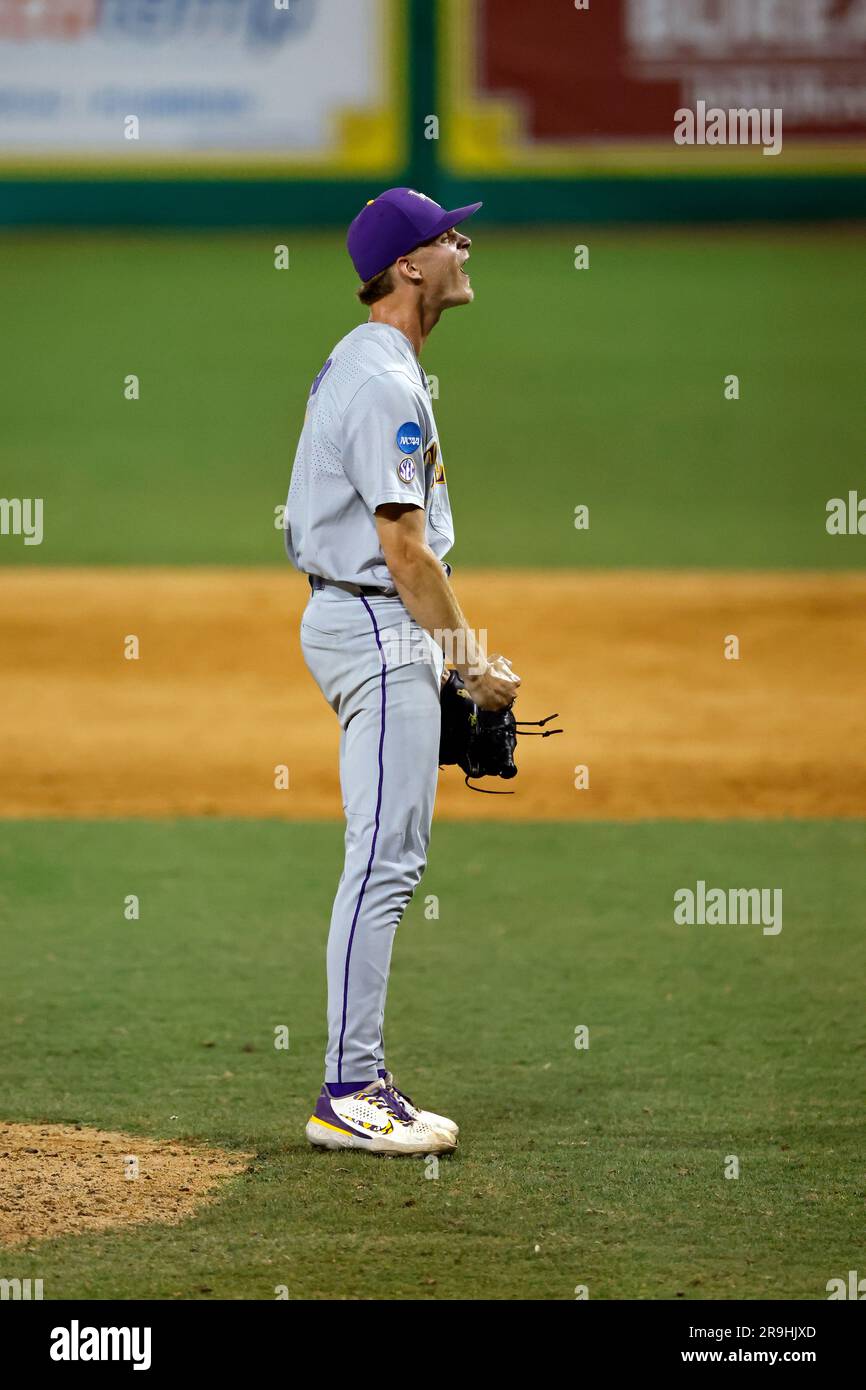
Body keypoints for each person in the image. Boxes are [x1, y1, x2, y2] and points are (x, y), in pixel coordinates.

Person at [284, 187, 520, 1155]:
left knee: (388, 855)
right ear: (408, 265)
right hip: (378, 625)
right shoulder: (384, 377)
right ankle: (348, 1090)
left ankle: (360, 1077)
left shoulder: (380, 365)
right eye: (447, 235)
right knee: (383, 859)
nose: (463, 244)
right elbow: (405, 552)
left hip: (377, 622)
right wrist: (468, 665)